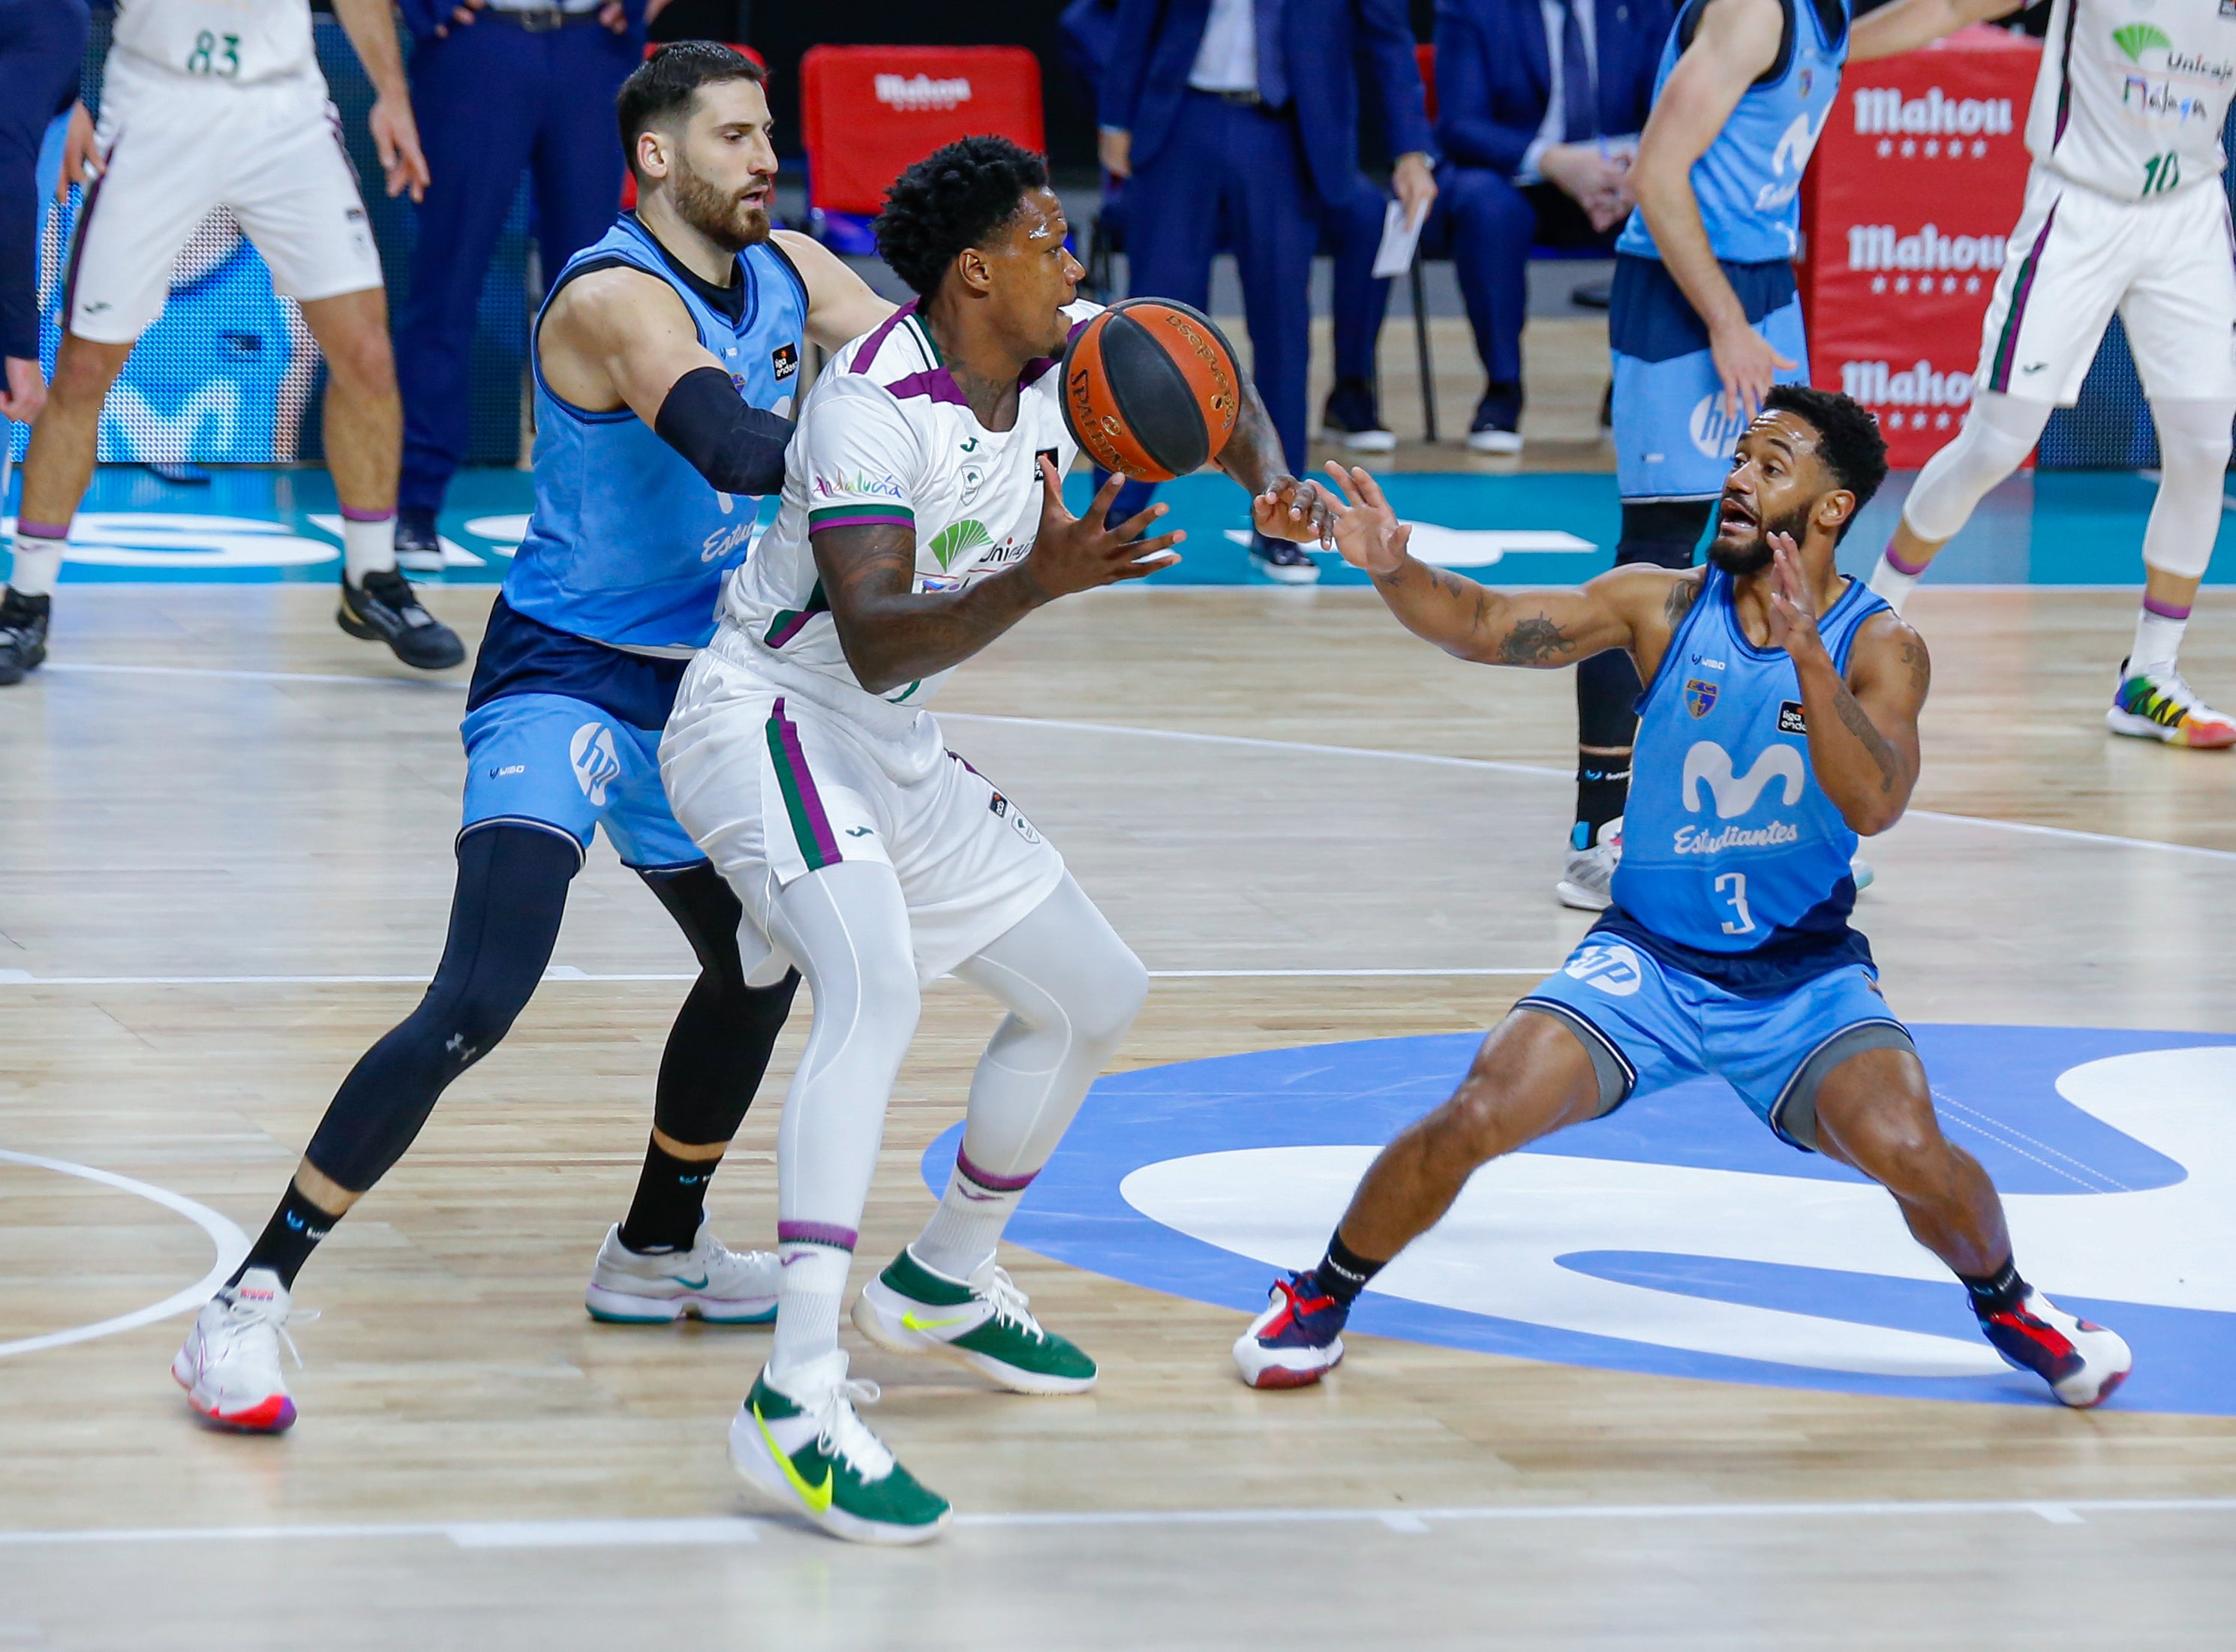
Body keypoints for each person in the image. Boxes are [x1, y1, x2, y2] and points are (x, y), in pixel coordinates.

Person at [168, 43, 896, 1434]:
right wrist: (882, 439)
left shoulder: (795, 269)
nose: (766, 158)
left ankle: (657, 1248)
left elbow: (914, 356)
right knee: (480, 996)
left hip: (699, 693)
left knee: (758, 964)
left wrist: (1056, 348)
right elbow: (737, 442)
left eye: (768, 135)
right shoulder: (615, 295)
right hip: (563, 677)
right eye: (736, 136)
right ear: (658, 158)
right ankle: (246, 1301)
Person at [658, 134, 1334, 1543]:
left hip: (887, 744)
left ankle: (946, 1275)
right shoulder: (872, 406)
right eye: (1048, 238)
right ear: (976, 270)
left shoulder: (1071, 352)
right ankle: (793, 1395)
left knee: (1096, 992)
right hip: (766, 716)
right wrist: (1036, 581)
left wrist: (1265, 469)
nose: (1074, 260)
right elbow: (875, 627)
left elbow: (1211, 379)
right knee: (876, 987)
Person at [1234, 387, 2133, 1413]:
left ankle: (2011, 1299)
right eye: (1740, 458)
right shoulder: (1661, 604)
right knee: (1480, 1107)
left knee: (1914, 1150)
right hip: (1649, 963)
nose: (1739, 479)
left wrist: (1806, 654)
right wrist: (1392, 567)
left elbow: (1877, 802)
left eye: (1772, 464)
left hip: (1801, 978)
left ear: (1831, 510)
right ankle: (1320, 1292)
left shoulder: (1881, 645)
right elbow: (1486, 625)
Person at [0, 0, 464, 686]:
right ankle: (27, 599)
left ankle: (371, 576)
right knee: (86, 367)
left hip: (284, 111)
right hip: (157, 106)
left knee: (365, 351)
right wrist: (67, 96)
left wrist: (391, 93)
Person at [1853, 0, 2236, 750]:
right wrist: (1825, 51)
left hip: (2187, 212)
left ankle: (2148, 676)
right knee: (1995, 444)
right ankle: (1866, 619)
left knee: (2202, 448)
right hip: (2079, 209)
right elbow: (1949, 6)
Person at [1560, 0, 1844, 910]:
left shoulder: (1829, 16)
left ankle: (1758, 823)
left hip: (1762, 279)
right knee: (1658, 551)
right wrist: (1724, 323)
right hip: (1687, 295)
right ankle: (1597, 826)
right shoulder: (1755, 10)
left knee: (1780, 550)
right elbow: (1656, 173)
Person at [1098, 0, 1432, 582]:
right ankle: (1119, 519)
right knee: (1146, 334)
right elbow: (1135, 17)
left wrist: (1410, 150)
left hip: (1286, 130)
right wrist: (1114, 118)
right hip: (1179, 117)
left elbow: (1386, 37)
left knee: (1282, 329)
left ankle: (1280, 519)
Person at [389, 0, 647, 573]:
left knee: (595, 292)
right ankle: (413, 501)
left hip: (595, 46)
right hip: (477, 41)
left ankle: (598, 508)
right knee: (446, 278)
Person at [1412, 0, 1667, 452]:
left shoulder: (1647, 7)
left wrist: (1636, 171)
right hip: (1516, 176)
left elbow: (1671, 108)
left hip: (1619, 178)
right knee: (1487, 208)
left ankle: (1628, 392)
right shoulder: (1471, 9)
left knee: (1675, 199)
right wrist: (1554, 162)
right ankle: (1503, 390)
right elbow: (1459, 124)